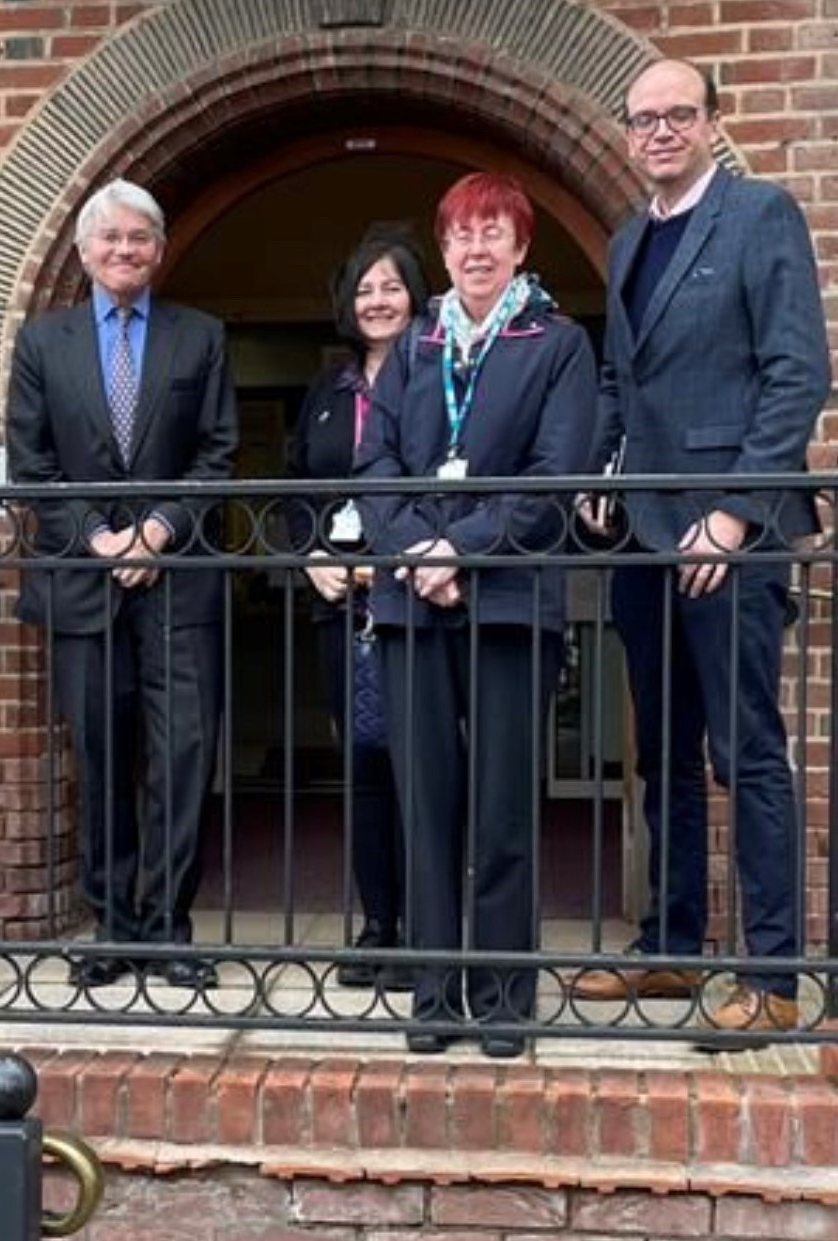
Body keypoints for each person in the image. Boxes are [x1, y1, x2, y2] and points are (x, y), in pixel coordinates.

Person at [572, 59, 830, 1038]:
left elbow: (795, 372)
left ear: (712, 123)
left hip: (730, 533)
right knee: (665, 752)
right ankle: (670, 947)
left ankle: (771, 976)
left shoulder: (760, 216)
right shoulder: (630, 233)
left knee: (746, 749)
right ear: (627, 133)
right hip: (642, 532)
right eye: (643, 119)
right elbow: (618, 377)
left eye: (679, 115)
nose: (660, 132)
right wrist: (601, 464)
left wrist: (733, 510)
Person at [358, 172, 597, 1057]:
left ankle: (501, 995)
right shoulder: (417, 343)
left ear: (521, 246)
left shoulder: (556, 343)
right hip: (411, 605)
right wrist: (420, 551)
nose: (477, 248)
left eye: (495, 231)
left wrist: (461, 548)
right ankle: (434, 992)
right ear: (445, 247)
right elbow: (375, 463)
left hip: (509, 602)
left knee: (501, 806)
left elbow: (557, 473)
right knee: (425, 804)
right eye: (462, 233)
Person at [6, 179, 238, 990]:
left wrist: (160, 531)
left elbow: (218, 453)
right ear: (84, 251)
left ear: (160, 250)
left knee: (182, 754)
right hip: (83, 582)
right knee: (102, 757)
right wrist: (99, 538)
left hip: (180, 585)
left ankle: (169, 923)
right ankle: (114, 922)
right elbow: (30, 466)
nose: (124, 251)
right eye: (109, 239)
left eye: (139, 239)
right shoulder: (43, 344)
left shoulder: (201, 336)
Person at [286, 230, 427, 987]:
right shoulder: (330, 389)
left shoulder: (438, 372)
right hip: (338, 608)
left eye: (392, 287)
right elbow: (294, 486)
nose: (378, 300)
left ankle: (428, 927)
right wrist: (311, 557)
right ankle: (379, 923)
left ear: (416, 296)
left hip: (417, 599)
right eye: (366, 289)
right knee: (364, 764)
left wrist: (392, 557)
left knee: (420, 762)